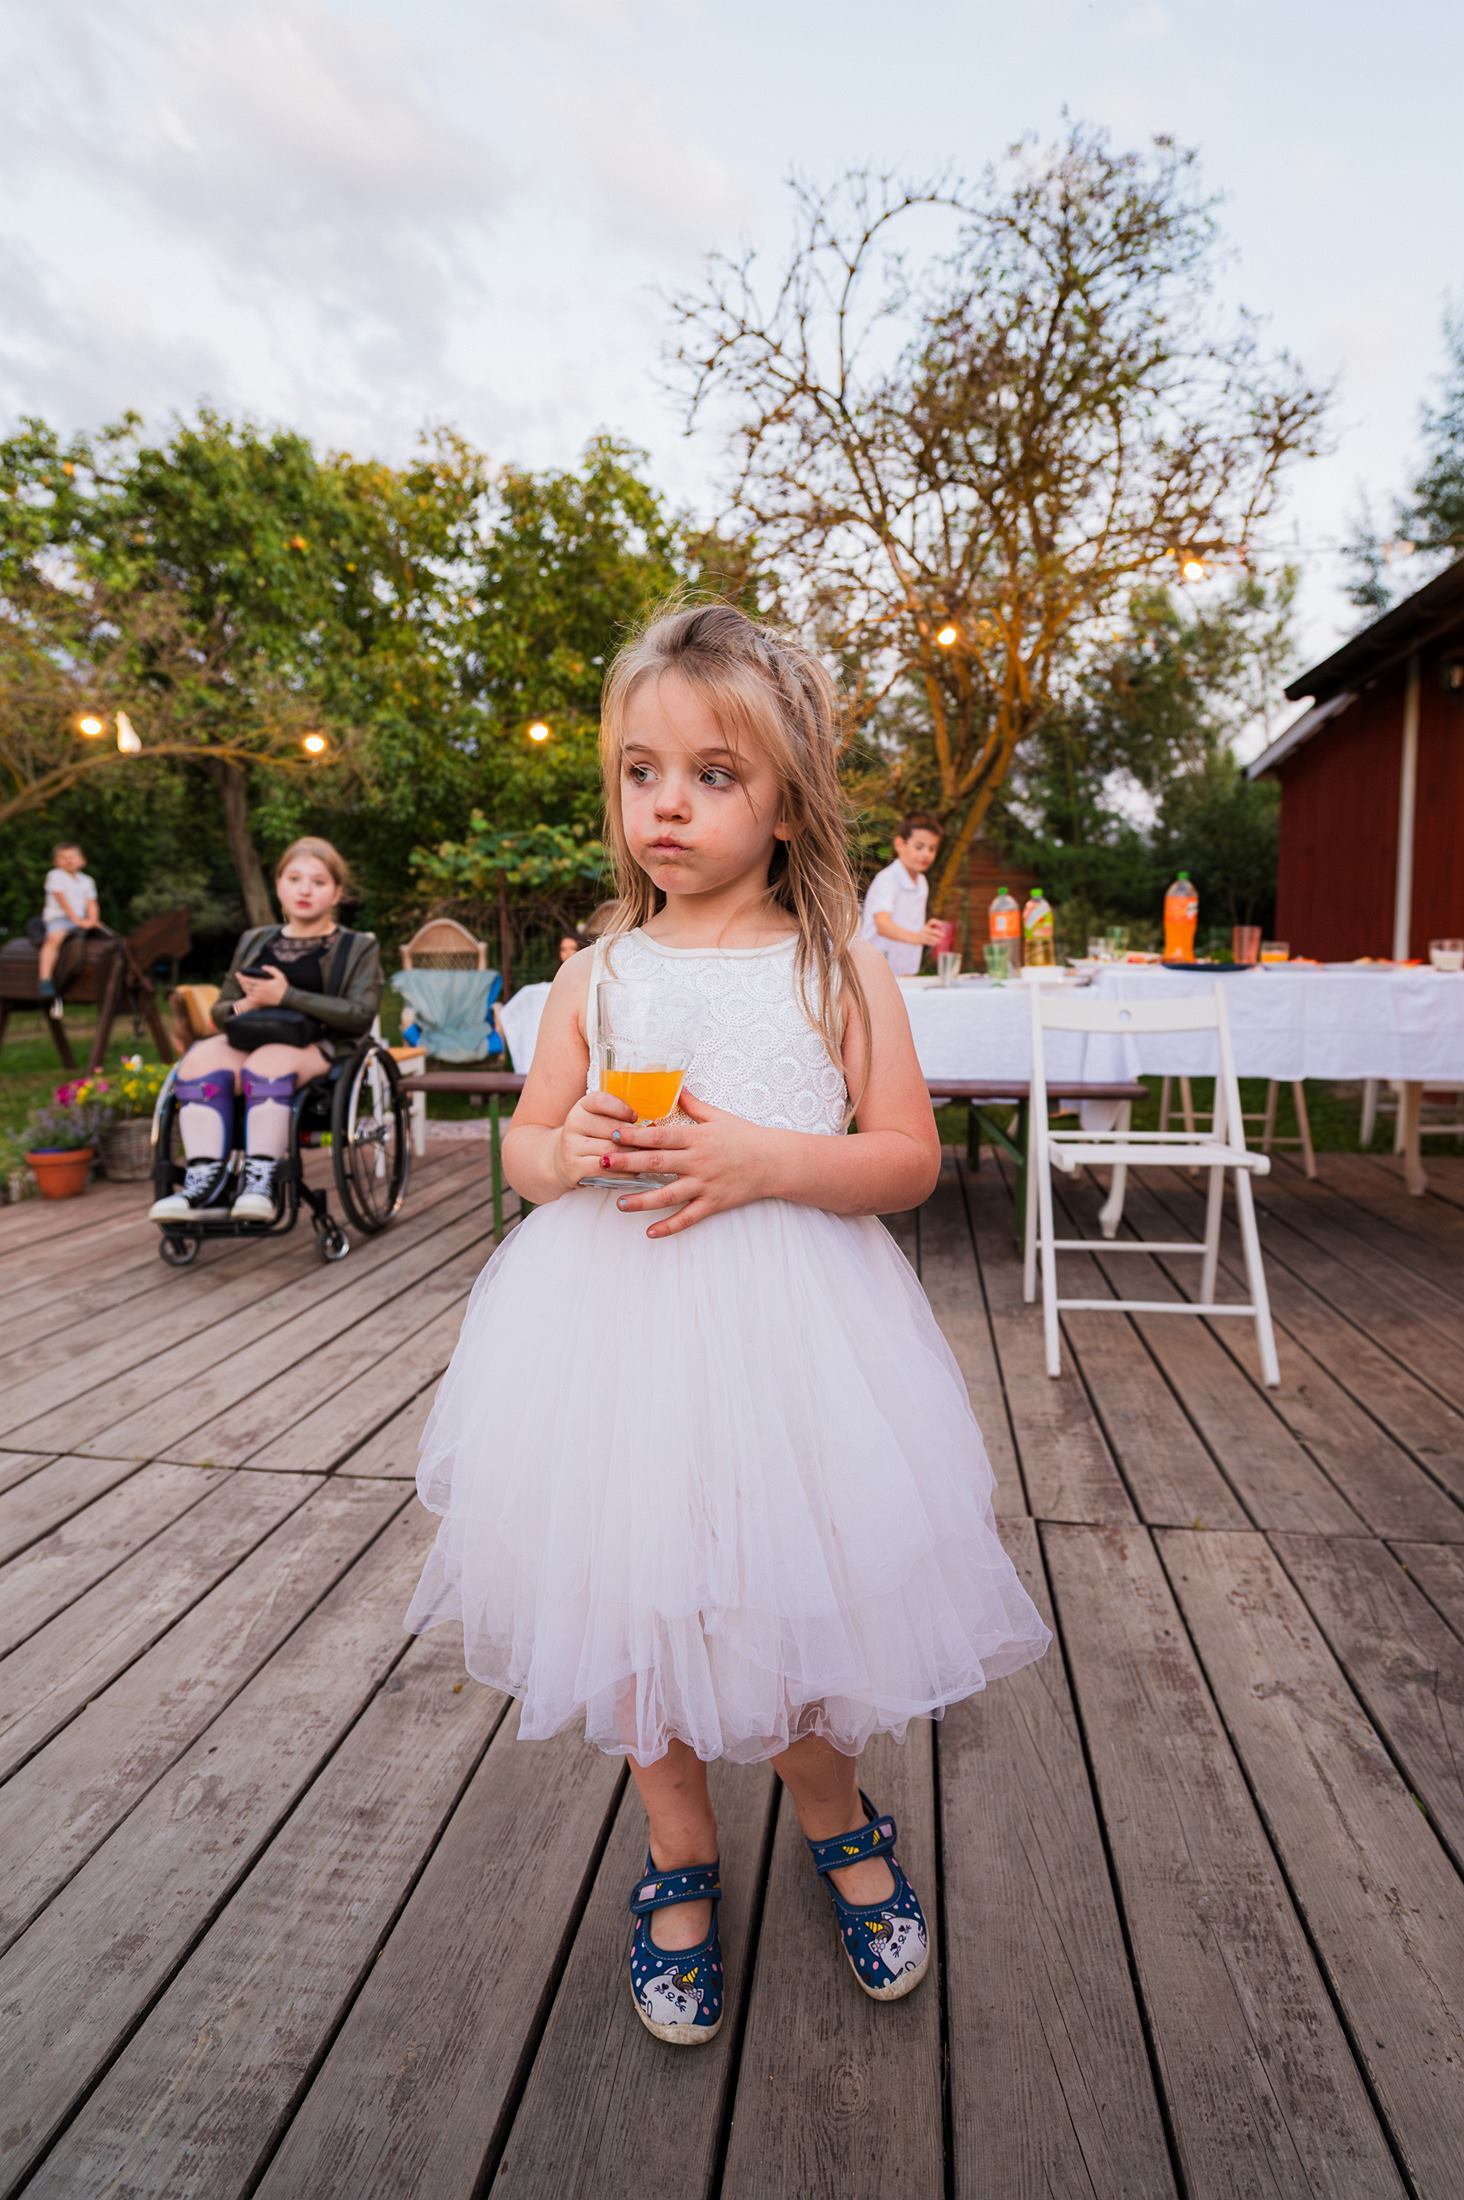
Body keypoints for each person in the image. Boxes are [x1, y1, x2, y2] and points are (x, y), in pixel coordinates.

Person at [402, 602, 1051, 2047]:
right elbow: (528, 1149)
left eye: (712, 775)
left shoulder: (837, 965)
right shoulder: (599, 972)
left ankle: (838, 1818)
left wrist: (764, 1159)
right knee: (639, 1604)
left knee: (789, 1601)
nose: (667, 805)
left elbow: (907, 1160)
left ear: (787, 799)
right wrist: (566, 1147)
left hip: (792, 1344)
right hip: (612, 1338)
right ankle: (678, 1845)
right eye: (641, 772)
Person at [149, 838, 383, 1225]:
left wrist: (286, 996)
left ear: (337, 893)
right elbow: (221, 1010)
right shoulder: (255, 940)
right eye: (294, 879)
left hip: (321, 1042)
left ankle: (260, 1182)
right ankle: (205, 1181)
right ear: (278, 885)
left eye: (318, 882)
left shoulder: (357, 947)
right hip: (250, 1037)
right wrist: (247, 1005)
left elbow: (359, 1014)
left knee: (266, 1064)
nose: (304, 890)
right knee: (196, 1063)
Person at [860, 815, 945, 975]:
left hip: (905, 973)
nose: (926, 854)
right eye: (919, 847)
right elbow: (882, 925)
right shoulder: (887, 879)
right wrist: (919, 937)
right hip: (876, 972)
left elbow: (910, 926)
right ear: (900, 844)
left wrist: (926, 931)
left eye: (932, 849)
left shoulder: (922, 883)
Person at [38, 842, 102, 999]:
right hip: (59, 918)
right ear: (56, 862)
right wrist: (78, 921)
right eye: (63, 857)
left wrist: (93, 920)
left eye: (72, 856)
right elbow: (62, 901)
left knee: (109, 937)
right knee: (54, 939)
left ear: (82, 860)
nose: (68, 860)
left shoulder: (87, 880)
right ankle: (45, 979)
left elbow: (92, 903)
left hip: (82, 919)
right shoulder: (55, 876)